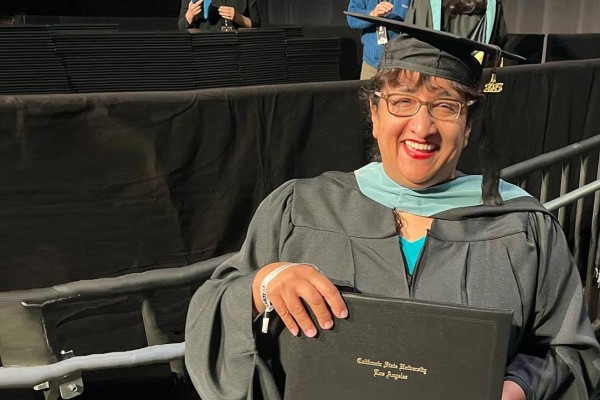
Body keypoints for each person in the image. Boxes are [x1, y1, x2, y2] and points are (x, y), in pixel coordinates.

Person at [184, 13, 600, 400]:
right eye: (403, 101)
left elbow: (572, 354)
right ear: (375, 113)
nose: (422, 126)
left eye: (446, 106)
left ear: (469, 127)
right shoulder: (301, 209)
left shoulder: (522, 225)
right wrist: (265, 285)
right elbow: (214, 313)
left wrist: (522, 387)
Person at [347, 0, 411, 79]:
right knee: (368, 90)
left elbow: (419, 19)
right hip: (371, 64)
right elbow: (352, 19)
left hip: (401, 64)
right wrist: (372, 14)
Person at [178, 0, 260, 31]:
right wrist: (190, 15)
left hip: (237, 49)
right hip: (203, 50)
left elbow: (256, 24)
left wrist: (238, 18)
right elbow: (181, 27)